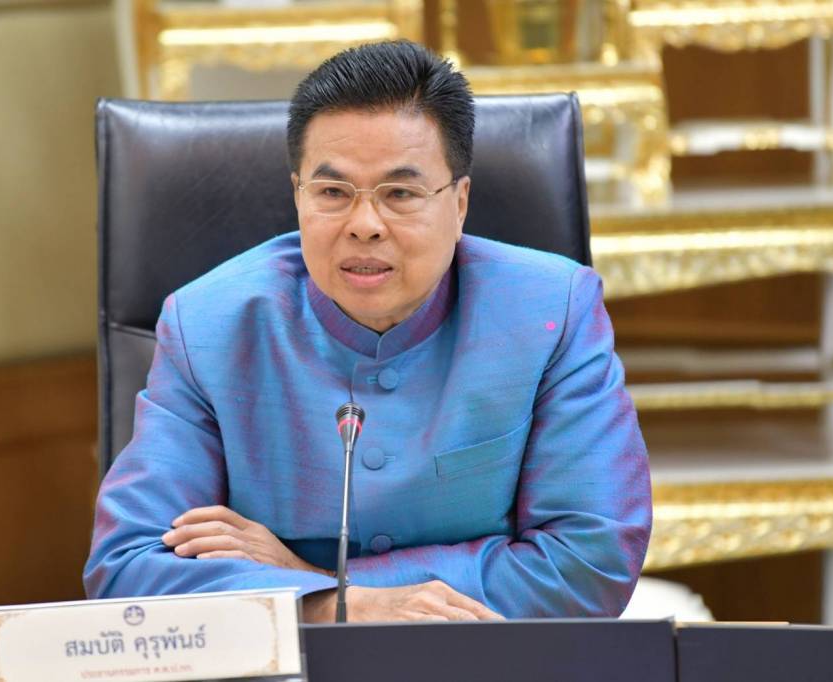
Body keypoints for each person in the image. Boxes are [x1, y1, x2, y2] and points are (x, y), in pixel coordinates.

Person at [84, 40, 651, 622]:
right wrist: (334, 608)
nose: (364, 225)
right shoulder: (207, 325)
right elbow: (127, 567)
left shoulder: (552, 311)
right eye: (332, 193)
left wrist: (322, 587)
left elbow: (592, 560)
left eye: (400, 193)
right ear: (298, 195)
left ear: (459, 203)